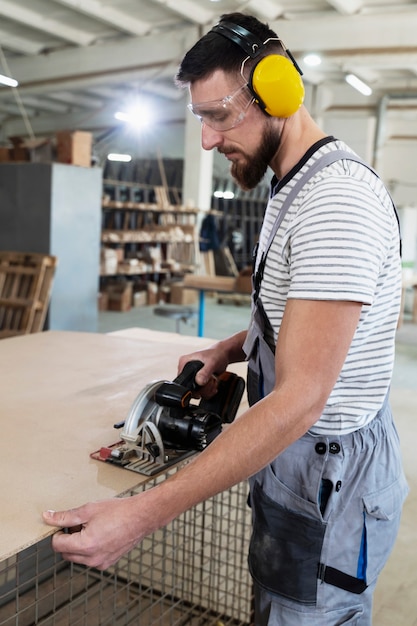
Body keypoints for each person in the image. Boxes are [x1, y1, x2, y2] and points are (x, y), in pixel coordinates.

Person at [43, 12, 408, 625]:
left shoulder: (335, 203)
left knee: (305, 615)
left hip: (329, 473)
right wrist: (233, 348)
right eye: (200, 118)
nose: (208, 140)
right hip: (301, 461)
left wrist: (144, 513)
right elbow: (307, 317)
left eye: (219, 115)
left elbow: (299, 401)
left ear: (280, 94)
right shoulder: (293, 182)